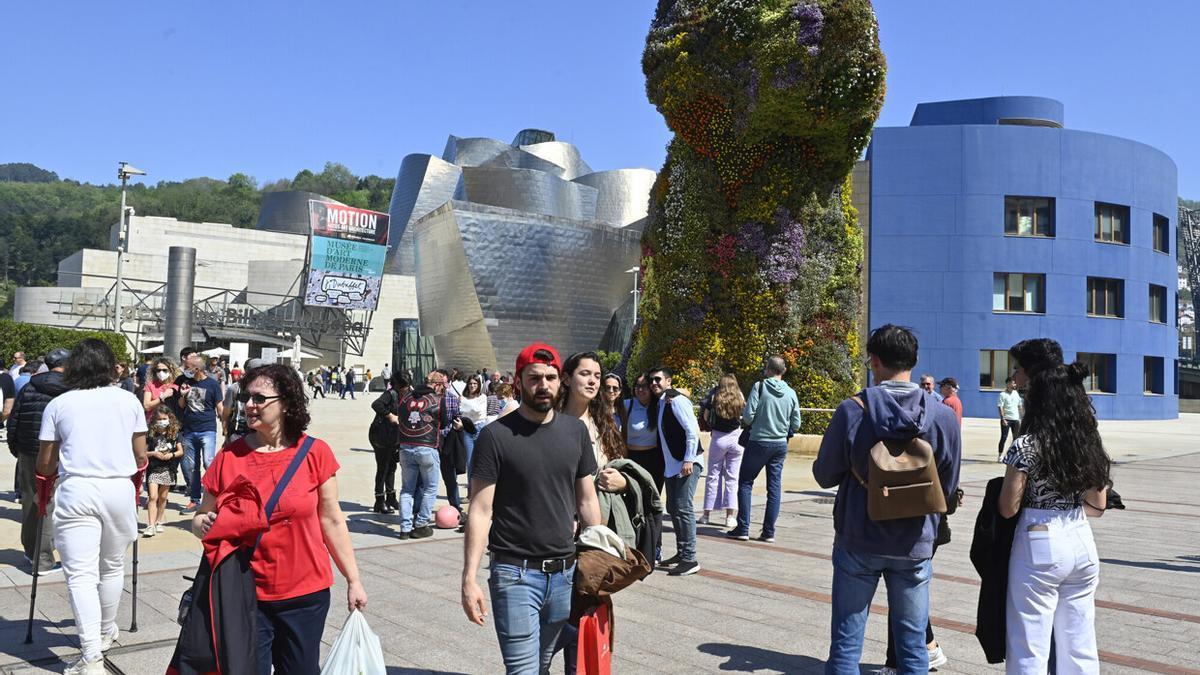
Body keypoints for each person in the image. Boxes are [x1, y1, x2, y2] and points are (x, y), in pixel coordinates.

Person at [192, 363, 368, 675]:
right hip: (246, 594)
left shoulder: (315, 453)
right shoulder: (230, 456)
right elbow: (202, 515)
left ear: (285, 403)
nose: (248, 404)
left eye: (259, 398)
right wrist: (202, 523)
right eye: (247, 397)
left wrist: (353, 580)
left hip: (305, 594)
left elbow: (332, 521)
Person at [812, 324, 961, 674]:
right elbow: (949, 486)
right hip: (915, 541)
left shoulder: (852, 410)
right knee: (912, 647)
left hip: (858, 535)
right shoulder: (942, 416)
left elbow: (823, 475)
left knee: (846, 643)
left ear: (874, 361)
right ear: (915, 360)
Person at [461, 343, 602, 673]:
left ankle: (561, 639)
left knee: (540, 664)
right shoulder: (495, 437)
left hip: (564, 574)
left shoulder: (575, 431)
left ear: (560, 381)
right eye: (534, 378)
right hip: (515, 574)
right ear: (518, 381)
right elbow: (481, 510)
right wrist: (469, 577)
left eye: (551, 377)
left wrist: (598, 560)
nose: (544, 385)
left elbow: (586, 500)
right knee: (524, 670)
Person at [35, 339, 148, 674]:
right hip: (118, 487)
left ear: (74, 367)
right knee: (112, 566)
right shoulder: (129, 401)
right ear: (110, 366)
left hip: (77, 489)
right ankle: (104, 631)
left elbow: (44, 464)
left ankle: (90, 657)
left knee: (81, 576)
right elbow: (141, 455)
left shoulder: (60, 404)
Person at [1000, 338, 1110, 674]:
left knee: (1029, 644)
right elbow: (1098, 504)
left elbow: (1008, 507)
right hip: (1080, 537)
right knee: (1079, 645)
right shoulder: (1086, 439)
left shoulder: (1027, 446)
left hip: (1039, 539)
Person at [8, 347, 71, 574]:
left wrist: (18, 450)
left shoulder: (29, 386)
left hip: (27, 451)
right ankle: (43, 560)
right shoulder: (72, 390)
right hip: (57, 454)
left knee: (30, 502)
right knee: (48, 504)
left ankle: (30, 550)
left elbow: (14, 421)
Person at [729, 356, 801, 544]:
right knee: (774, 488)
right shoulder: (791, 393)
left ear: (768, 369)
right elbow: (797, 423)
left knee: (745, 482)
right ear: (783, 371)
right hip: (779, 444)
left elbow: (748, 417)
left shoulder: (759, 387)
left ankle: (743, 528)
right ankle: (769, 532)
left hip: (758, 442)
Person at [647, 366, 702, 576]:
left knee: (683, 507)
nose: (654, 383)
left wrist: (689, 458)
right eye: (651, 380)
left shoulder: (676, 400)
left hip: (687, 462)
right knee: (673, 507)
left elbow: (691, 430)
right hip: (672, 466)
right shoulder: (662, 402)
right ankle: (681, 553)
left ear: (669, 381)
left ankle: (690, 558)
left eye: (658, 380)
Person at [396, 371, 446, 538]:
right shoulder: (438, 399)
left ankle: (404, 528)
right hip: (427, 446)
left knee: (407, 489)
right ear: (437, 385)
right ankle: (421, 524)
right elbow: (444, 422)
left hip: (405, 446)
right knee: (430, 488)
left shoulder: (406, 397)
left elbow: (401, 416)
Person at [175, 350, 224, 514]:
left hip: (207, 429)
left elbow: (219, 406)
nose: (185, 370)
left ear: (197, 369)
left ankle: (214, 497)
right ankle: (194, 500)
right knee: (192, 468)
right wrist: (182, 395)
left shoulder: (212, 384)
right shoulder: (186, 383)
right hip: (190, 430)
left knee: (208, 463)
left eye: (188, 367)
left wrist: (225, 425)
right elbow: (182, 406)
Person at [701, 373, 745, 529]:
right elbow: (744, 415)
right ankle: (730, 517)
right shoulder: (739, 395)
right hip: (737, 439)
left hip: (719, 438)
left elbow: (706, 417)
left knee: (713, 476)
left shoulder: (714, 396)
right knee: (733, 478)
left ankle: (706, 515)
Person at [369, 371, 410, 514]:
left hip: (394, 437)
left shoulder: (405, 395)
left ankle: (391, 497)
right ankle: (379, 500)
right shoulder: (390, 393)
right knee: (383, 468)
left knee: (392, 467)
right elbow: (376, 404)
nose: (406, 389)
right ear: (397, 385)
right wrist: (389, 415)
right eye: (404, 386)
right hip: (381, 435)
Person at [144, 407, 183, 537]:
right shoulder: (150, 434)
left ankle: (159, 521)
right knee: (153, 497)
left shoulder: (174, 434)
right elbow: (143, 453)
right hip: (154, 469)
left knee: (163, 497)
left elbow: (180, 451)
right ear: (155, 420)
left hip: (168, 468)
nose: (162, 421)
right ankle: (150, 525)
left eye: (164, 419)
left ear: (169, 418)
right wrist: (154, 453)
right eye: (159, 419)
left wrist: (171, 455)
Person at [624, 375, 664, 494]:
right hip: (632, 458)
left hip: (655, 458)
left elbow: (686, 393)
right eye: (638, 386)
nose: (640, 390)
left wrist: (670, 392)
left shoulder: (658, 404)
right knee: (634, 496)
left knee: (653, 496)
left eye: (644, 386)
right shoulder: (627, 404)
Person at [220, 358, 266, 447]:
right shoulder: (234, 388)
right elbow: (226, 413)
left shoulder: (266, 389)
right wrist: (226, 433)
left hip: (259, 429)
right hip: (239, 429)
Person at [459, 376, 489, 474]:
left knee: (482, 461)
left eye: (475, 383)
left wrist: (465, 404)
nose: (472, 385)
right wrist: (467, 407)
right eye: (470, 383)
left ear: (479, 385)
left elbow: (477, 411)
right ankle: (471, 488)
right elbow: (462, 411)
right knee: (470, 462)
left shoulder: (483, 397)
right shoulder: (463, 397)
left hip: (480, 428)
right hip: (467, 429)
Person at [142, 357, 180, 423]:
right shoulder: (150, 385)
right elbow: (146, 406)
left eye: (164, 370)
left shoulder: (177, 385)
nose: (161, 372)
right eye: (158, 370)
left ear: (171, 371)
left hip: (172, 423)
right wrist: (162, 397)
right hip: (153, 422)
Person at [997, 376, 1024, 458]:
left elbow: (1020, 406)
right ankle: (1000, 455)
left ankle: (1012, 455)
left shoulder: (1016, 394)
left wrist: (1022, 417)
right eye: (1013, 382)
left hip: (1016, 419)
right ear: (1008, 384)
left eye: (1015, 383)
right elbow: (1000, 407)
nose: (1014, 384)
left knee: (1016, 438)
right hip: (1006, 419)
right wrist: (1003, 419)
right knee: (1004, 437)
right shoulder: (1002, 395)